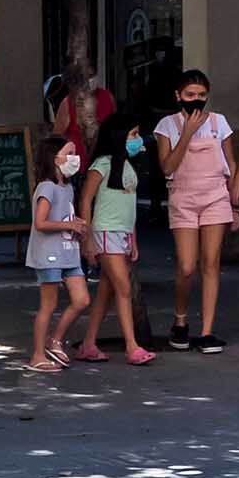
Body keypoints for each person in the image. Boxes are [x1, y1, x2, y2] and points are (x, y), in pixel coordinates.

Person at [152, 68, 235, 352]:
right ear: (178, 96)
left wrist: (235, 202)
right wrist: (186, 133)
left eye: (201, 95)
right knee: (187, 265)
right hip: (183, 196)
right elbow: (167, 167)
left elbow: (230, 163)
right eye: (190, 95)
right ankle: (181, 318)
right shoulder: (167, 126)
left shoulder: (219, 123)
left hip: (215, 195)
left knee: (211, 263)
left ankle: (208, 330)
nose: (196, 100)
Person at [76, 110, 155, 367]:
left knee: (107, 292)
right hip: (106, 232)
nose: (137, 139)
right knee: (123, 287)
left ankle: (89, 343)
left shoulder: (128, 166)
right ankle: (132, 346)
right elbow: (85, 200)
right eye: (132, 134)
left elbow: (129, 207)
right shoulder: (102, 165)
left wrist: (133, 239)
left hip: (121, 234)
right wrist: (87, 239)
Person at [22, 133, 87, 371]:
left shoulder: (66, 188)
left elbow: (60, 217)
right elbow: (40, 223)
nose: (74, 158)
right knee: (48, 305)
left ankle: (55, 340)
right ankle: (38, 354)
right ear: (54, 158)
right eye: (69, 154)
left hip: (68, 251)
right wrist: (70, 225)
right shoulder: (46, 187)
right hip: (49, 254)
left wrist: (75, 223)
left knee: (81, 300)